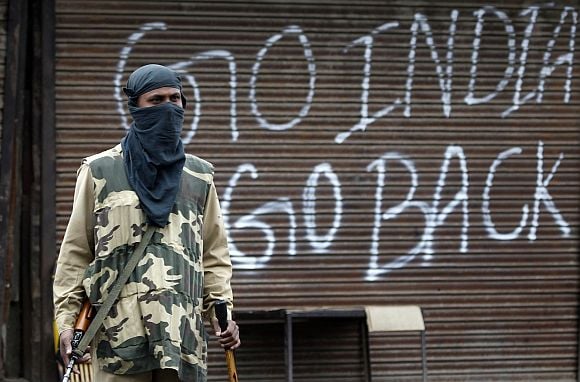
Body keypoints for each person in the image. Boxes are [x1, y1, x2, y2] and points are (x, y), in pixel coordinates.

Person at [53, 63, 240, 382]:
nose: (168, 108)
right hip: (119, 341)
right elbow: (75, 254)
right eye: (156, 101)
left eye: (175, 99)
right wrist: (66, 323)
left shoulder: (198, 176)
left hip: (182, 342)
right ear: (135, 107)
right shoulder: (100, 171)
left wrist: (223, 315)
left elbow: (213, 257)